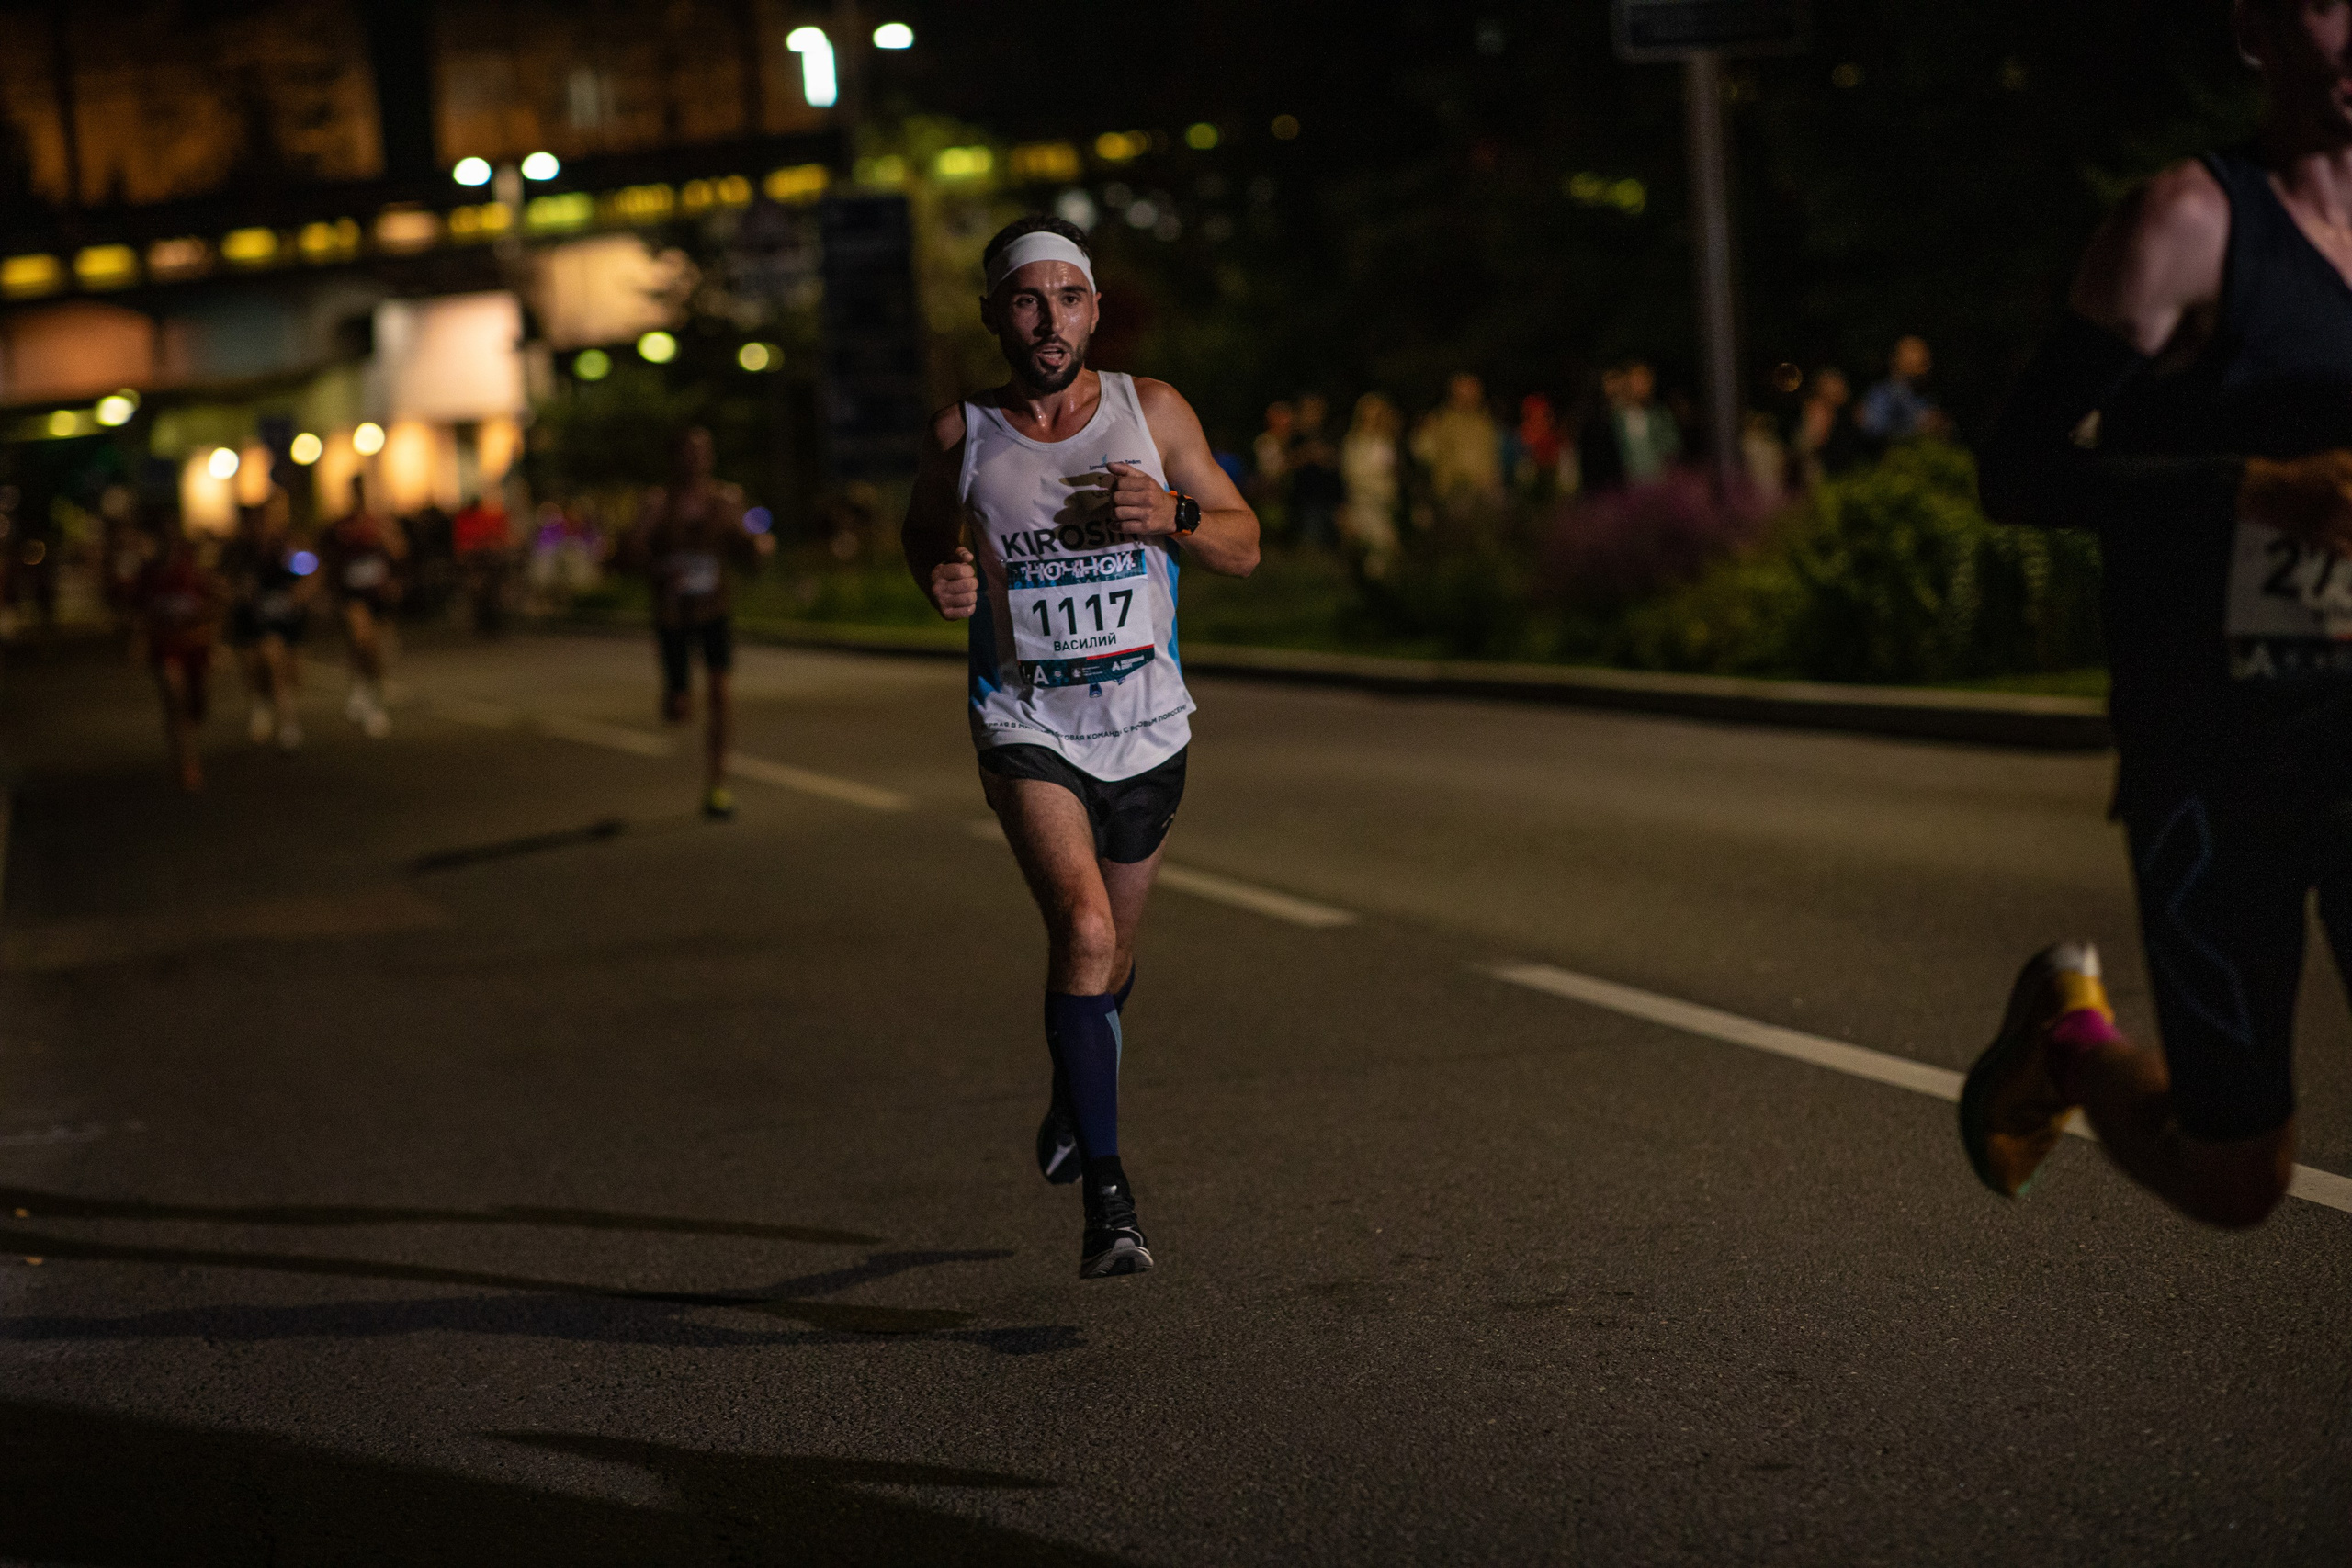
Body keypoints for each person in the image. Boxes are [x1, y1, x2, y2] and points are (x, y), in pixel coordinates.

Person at [1963, 0, 2352, 1230]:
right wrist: (2247, 489)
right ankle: (2068, 1035)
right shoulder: (2190, 224)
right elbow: (2018, 470)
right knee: (2238, 1175)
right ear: (2258, 29)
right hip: (2222, 759)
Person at [901, 214, 1261, 1279]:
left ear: (1094, 309)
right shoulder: (963, 438)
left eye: (1068, 297)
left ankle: (1074, 1083)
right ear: (994, 316)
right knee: (1087, 931)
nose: (1049, 318)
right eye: (1026, 298)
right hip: (1026, 722)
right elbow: (924, 533)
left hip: (1148, 725)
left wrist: (1176, 514)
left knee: (1112, 959)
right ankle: (1110, 1202)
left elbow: (1242, 545)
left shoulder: (1150, 412)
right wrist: (940, 577)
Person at [627, 428, 770, 819]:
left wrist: (758, 547)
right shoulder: (658, 503)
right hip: (673, 613)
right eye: (687, 451)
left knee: (721, 694)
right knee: (678, 708)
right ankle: (675, 691)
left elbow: (748, 550)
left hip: (714, 609)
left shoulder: (726, 500)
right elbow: (632, 550)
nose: (694, 459)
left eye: (702, 451)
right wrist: (659, 569)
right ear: (674, 457)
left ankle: (717, 785)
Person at [130, 511, 223, 792]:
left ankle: (187, 741)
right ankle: (187, 763)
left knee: (196, 704)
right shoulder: (147, 573)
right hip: (165, 644)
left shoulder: (194, 567)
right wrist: (139, 640)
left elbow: (215, 601)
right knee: (174, 695)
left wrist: (215, 640)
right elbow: (138, 610)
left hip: (195, 643)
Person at [220, 489, 312, 750]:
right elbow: (221, 582)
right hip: (252, 619)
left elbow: (308, 570)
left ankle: (284, 720)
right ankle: (273, 713)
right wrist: (237, 593)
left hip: (284, 617)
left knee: (285, 670)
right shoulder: (239, 550)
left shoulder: (287, 546)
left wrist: (301, 592)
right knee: (256, 665)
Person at [322, 479, 406, 739]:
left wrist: (386, 534)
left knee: (376, 650)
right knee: (362, 640)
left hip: (377, 595)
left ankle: (368, 690)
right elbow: (329, 557)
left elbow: (399, 552)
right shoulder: (341, 526)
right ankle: (368, 697)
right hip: (353, 595)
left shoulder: (379, 522)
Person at [1410, 372, 1504, 516]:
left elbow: (1491, 454)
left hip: (1484, 492)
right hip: (1454, 493)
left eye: (1473, 392)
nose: (1469, 398)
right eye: (1464, 392)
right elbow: (1422, 451)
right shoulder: (1441, 421)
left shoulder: (1484, 422)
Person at [1340, 392, 1404, 577]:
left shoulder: (1385, 441)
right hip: (1362, 502)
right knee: (1370, 547)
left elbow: (1391, 473)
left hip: (1384, 503)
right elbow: (1352, 474)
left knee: (1386, 548)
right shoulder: (1354, 443)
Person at [1855, 335, 1949, 446]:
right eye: (1920, 362)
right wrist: (1918, 427)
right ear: (1897, 361)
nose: (1926, 365)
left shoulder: (1924, 395)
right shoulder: (1883, 394)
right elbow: (1875, 429)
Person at [450, 491, 514, 638]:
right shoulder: (465, 519)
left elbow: (496, 538)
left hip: (487, 561)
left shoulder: (484, 518)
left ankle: (491, 625)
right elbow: (463, 544)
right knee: (479, 593)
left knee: (491, 592)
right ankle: (483, 625)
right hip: (474, 562)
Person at [1611, 361, 1683, 483]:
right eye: (1637, 381)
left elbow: (1672, 450)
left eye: (1646, 381)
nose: (1642, 386)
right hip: (1627, 490)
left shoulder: (1661, 415)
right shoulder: (1617, 419)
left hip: (1660, 485)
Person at [1287, 393, 1343, 547]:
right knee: (1310, 539)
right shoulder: (1295, 436)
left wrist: (1325, 456)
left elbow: (1338, 462)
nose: (1314, 414)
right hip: (1305, 497)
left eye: (1318, 410)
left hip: (1329, 495)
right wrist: (1306, 454)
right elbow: (1286, 463)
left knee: (1331, 541)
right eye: (1310, 410)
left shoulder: (1329, 434)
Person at [1792, 367, 1861, 489]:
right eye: (1834, 384)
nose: (1840, 388)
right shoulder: (1817, 410)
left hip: (1846, 474)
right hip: (1821, 476)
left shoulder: (1848, 412)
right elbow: (1810, 444)